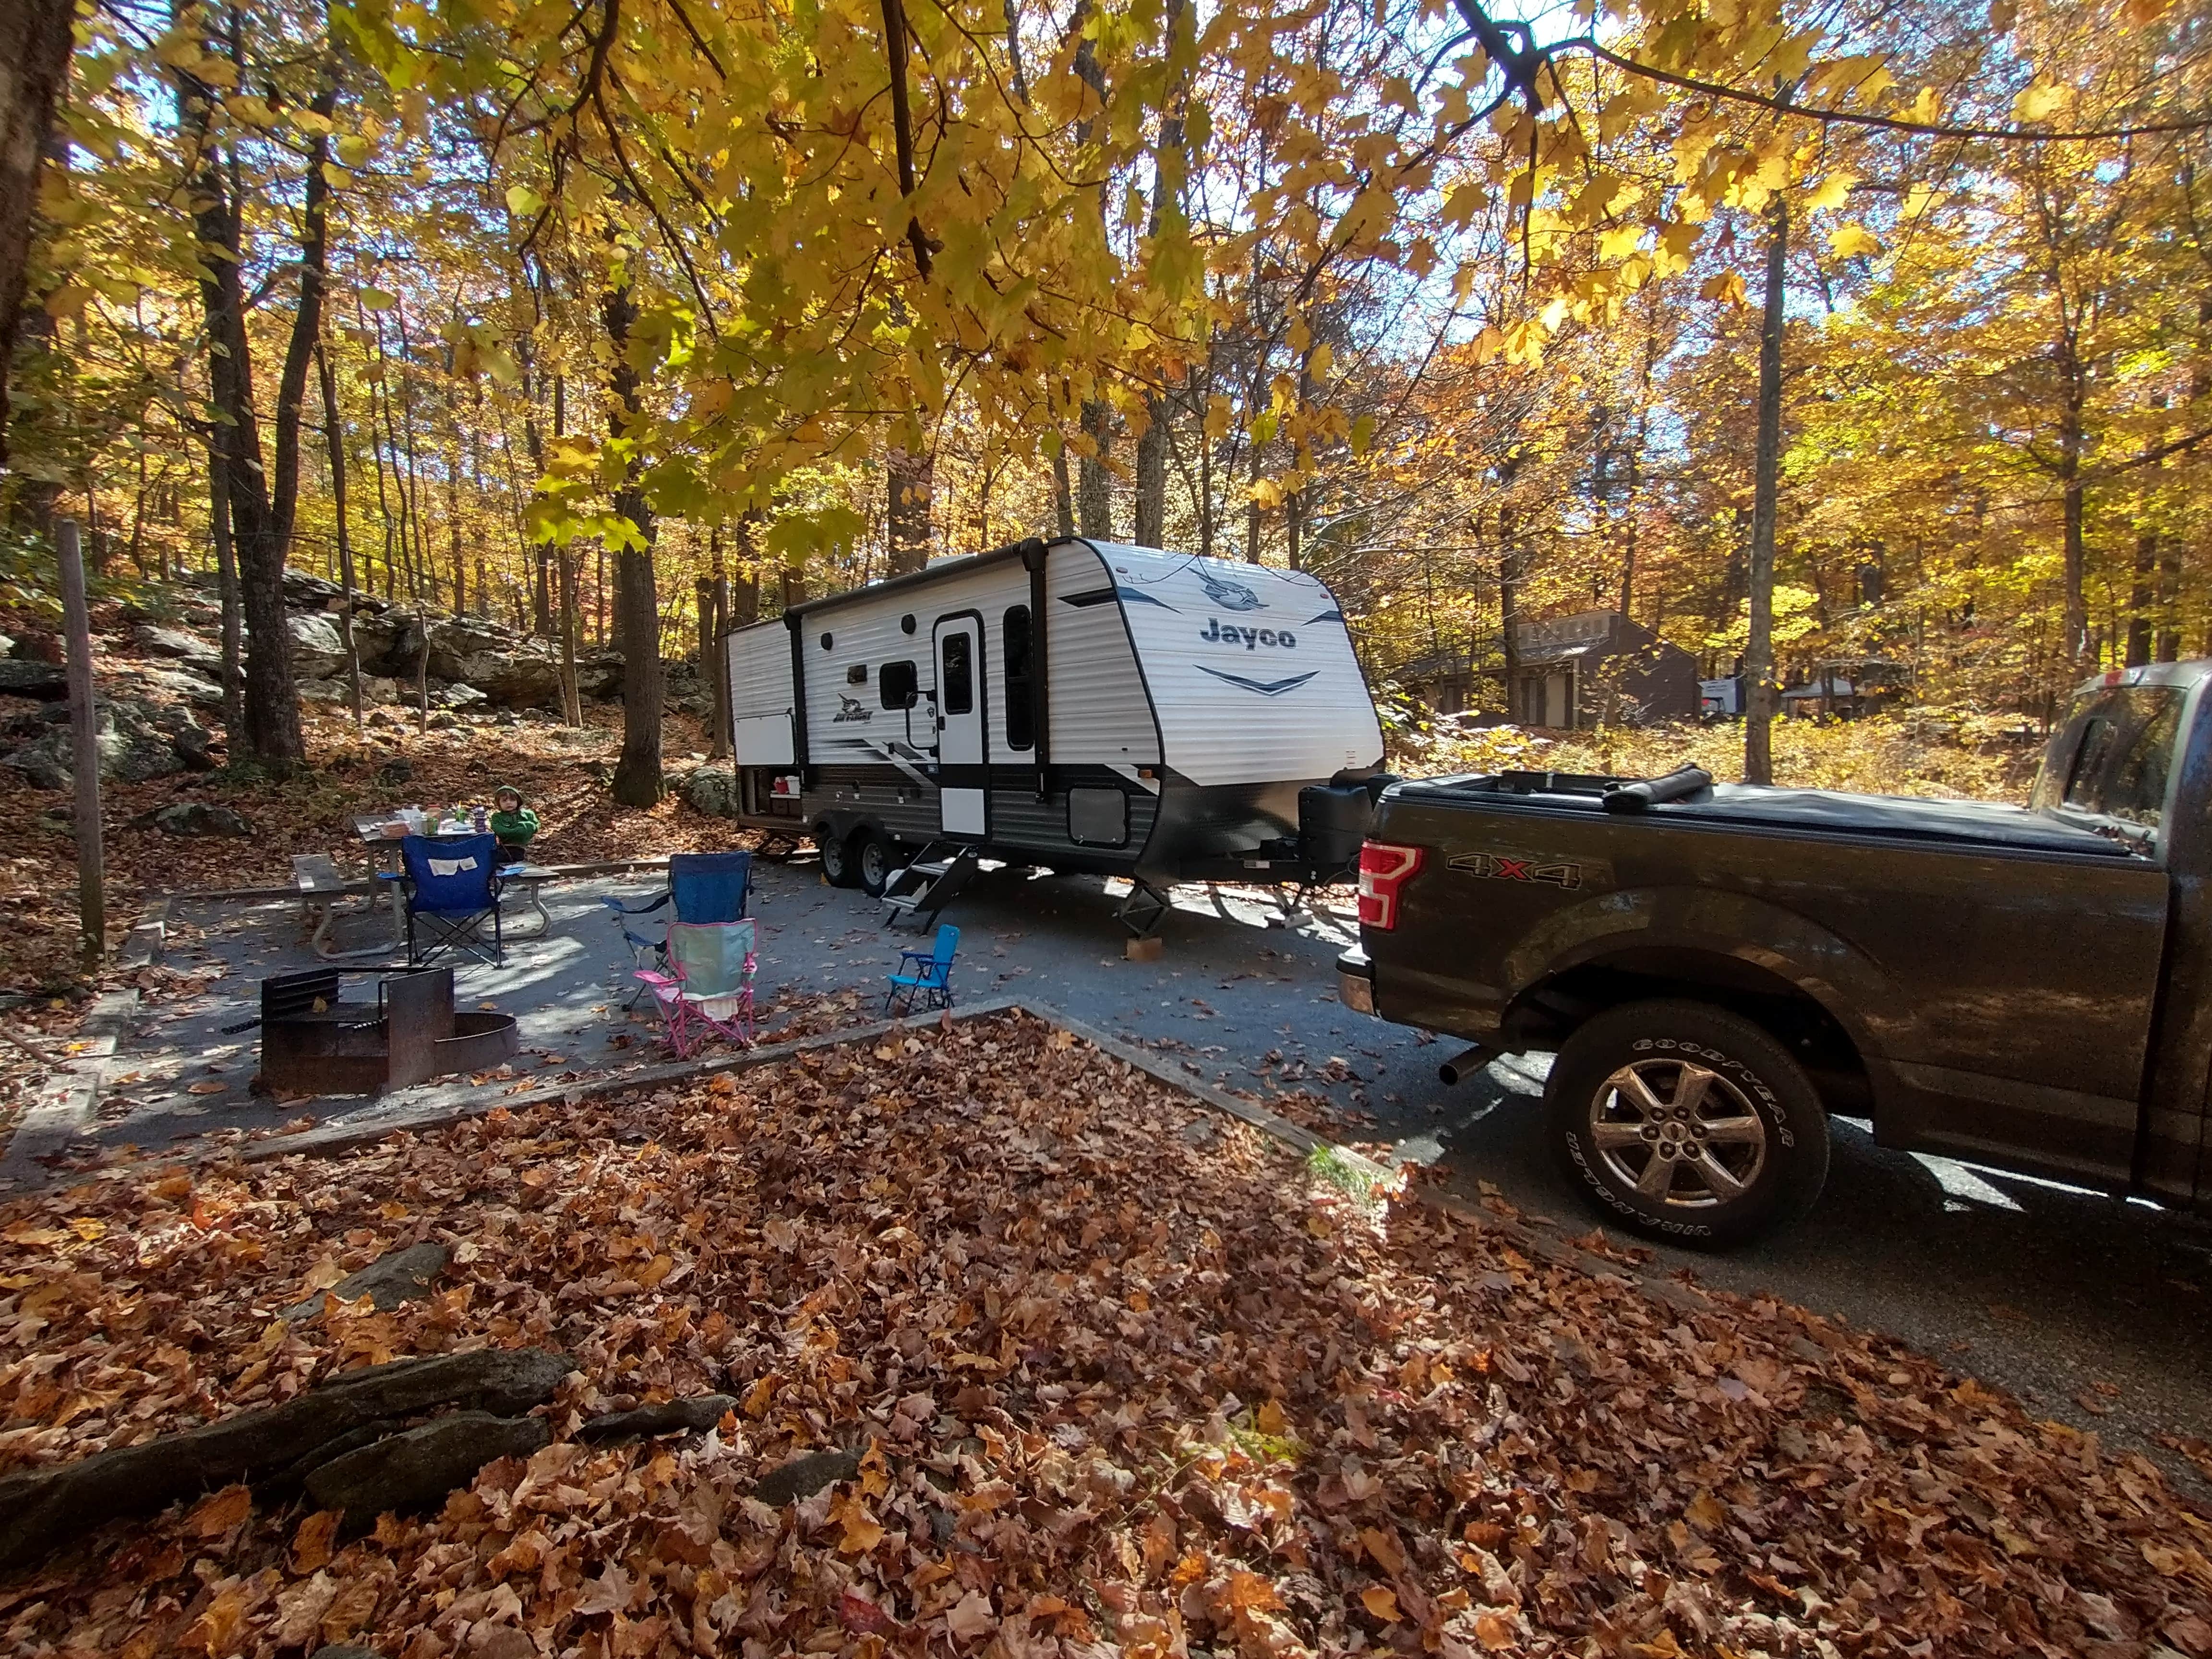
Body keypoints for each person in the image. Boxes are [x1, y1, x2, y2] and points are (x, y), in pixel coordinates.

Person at [489, 785, 540, 865]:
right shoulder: (497, 817)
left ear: (518, 801)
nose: (509, 803)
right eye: (504, 801)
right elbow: (500, 831)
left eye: (513, 800)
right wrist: (519, 831)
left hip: (527, 848)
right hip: (506, 849)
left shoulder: (528, 815)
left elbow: (532, 828)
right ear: (499, 804)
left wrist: (513, 831)